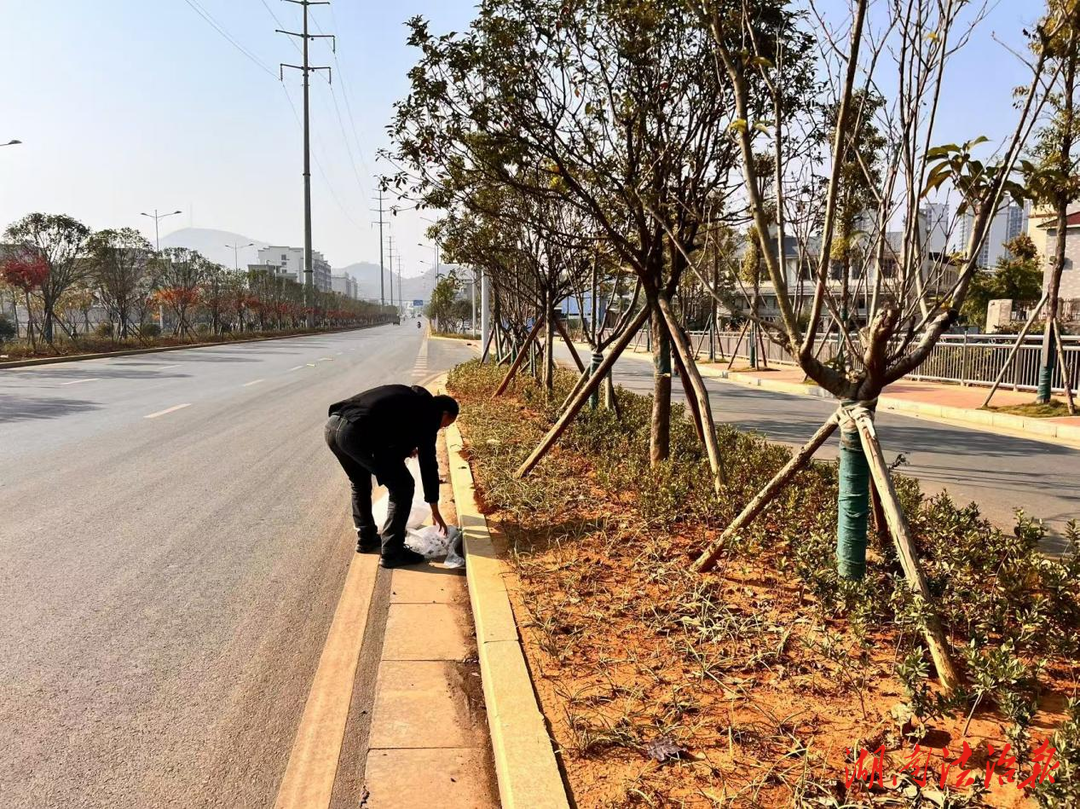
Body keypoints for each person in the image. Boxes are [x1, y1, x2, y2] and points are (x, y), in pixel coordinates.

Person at [325, 385, 459, 568]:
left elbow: (390, 427)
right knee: (402, 487)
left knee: (359, 483)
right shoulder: (430, 416)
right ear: (444, 414)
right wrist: (434, 508)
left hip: (333, 427)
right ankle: (392, 552)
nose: (442, 428)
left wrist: (405, 448)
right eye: (446, 424)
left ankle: (366, 538)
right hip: (356, 433)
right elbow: (428, 465)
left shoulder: (412, 400)